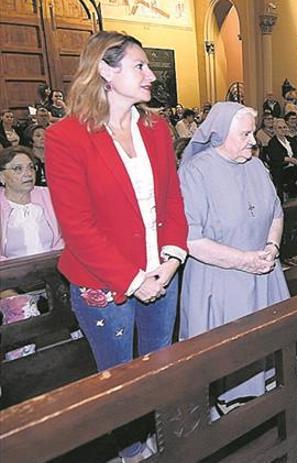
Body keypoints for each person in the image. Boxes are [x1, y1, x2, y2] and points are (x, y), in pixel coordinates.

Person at [45, 31, 187, 460]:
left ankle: (164, 439)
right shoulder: (67, 137)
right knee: (120, 380)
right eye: (139, 66)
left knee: (159, 369)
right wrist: (133, 279)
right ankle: (130, 450)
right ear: (106, 72)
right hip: (106, 285)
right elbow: (78, 227)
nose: (149, 74)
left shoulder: (155, 128)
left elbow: (172, 200)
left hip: (160, 273)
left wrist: (171, 259)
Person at [178, 102, 289, 416]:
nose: (253, 141)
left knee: (266, 348)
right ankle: (227, 408)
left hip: (264, 270)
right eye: (244, 134)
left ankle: (260, 406)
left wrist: (272, 246)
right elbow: (192, 240)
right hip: (220, 277)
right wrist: (244, 260)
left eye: (252, 133)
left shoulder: (255, 165)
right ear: (218, 134)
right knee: (227, 358)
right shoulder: (195, 173)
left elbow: (276, 213)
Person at [0, 146, 63, 260]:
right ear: (2, 176)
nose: (28, 173)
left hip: (53, 268)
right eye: (18, 169)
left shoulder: (49, 195)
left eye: (31, 167)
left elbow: (65, 237)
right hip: (9, 274)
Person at [266, 117, 297, 199]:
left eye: (284, 127)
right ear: (275, 129)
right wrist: (290, 159)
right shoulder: (272, 143)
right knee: (296, 171)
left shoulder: (290, 139)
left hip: (295, 165)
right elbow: (275, 157)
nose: (283, 129)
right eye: (279, 128)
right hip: (282, 168)